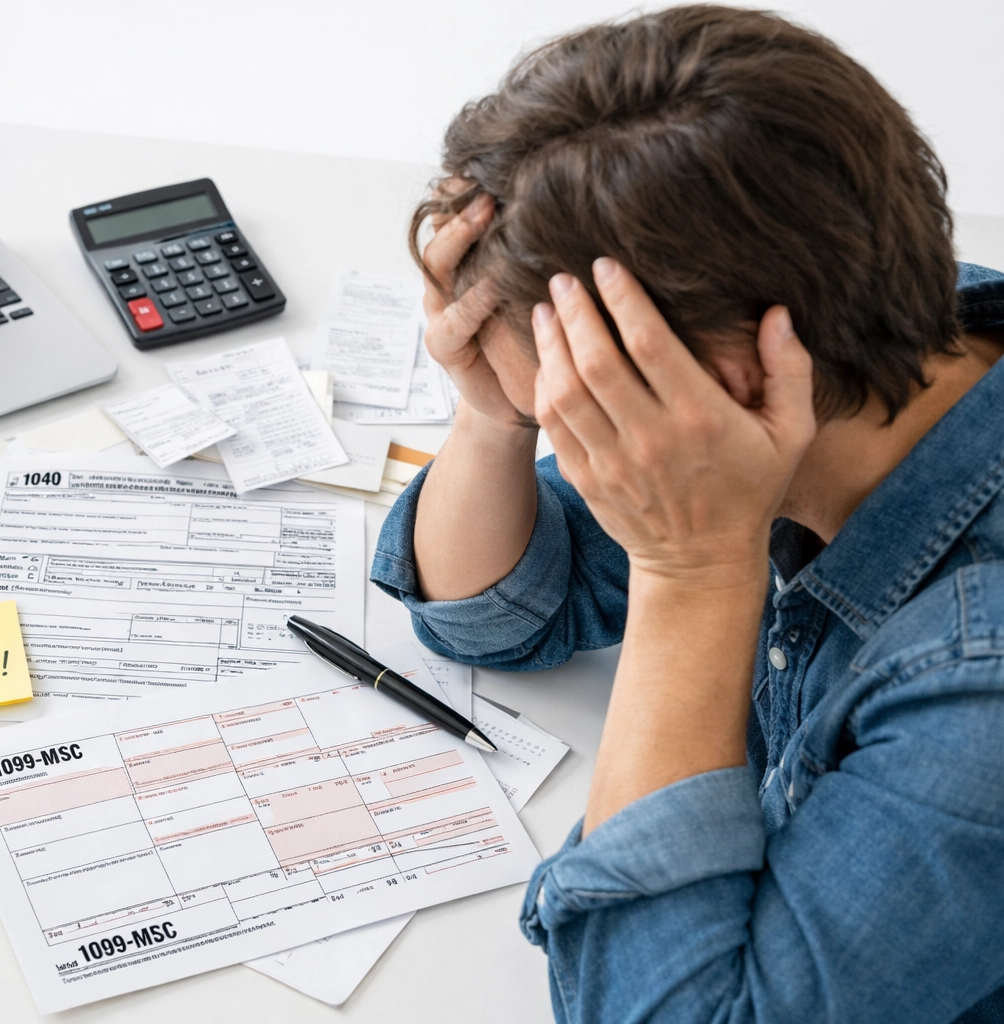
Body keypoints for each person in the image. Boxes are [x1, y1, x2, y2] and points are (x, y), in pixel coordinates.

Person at [370, 5, 1004, 1021]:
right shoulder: (856, 327)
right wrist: (493, 418)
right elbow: (499, 616)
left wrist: (691, 571)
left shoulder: (978, 695)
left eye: (540, 356)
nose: (550, 402)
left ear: (721, 378)